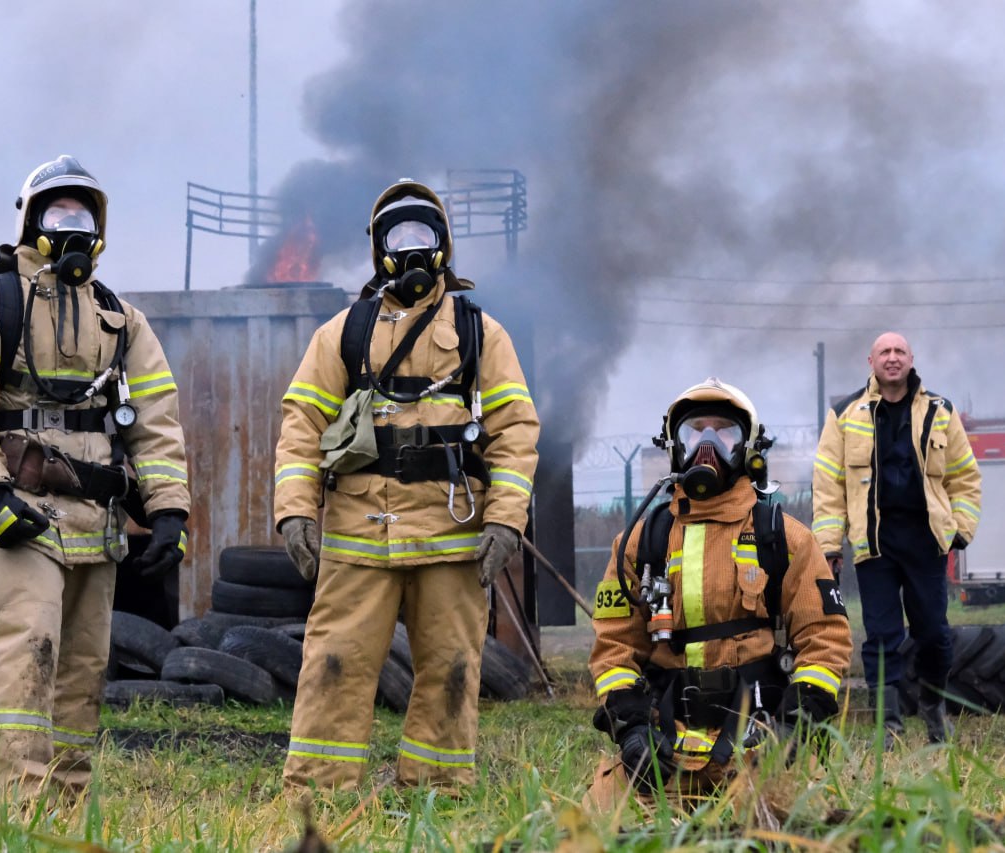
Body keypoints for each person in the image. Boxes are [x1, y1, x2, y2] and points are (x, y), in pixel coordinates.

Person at [0, 155, 191, 800]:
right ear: (30, 223)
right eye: (57, 214)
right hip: (22, 513)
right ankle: (6, 811)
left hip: (96, 523)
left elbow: (156, 423)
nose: (72, 227)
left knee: (79, 668)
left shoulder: (121, 320)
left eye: (83, 214)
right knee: (26, 648)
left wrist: (168, 512)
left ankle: (65, 808)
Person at [273, 178, 540, 792]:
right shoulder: (342, 334)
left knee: (451, 667)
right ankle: (319, 794)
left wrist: (505, 519)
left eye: (425, 235)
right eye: (400, 237)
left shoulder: (481, 335)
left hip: (450, 533)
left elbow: (516, 431)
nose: (414, 249)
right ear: (380, 251)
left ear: (444, 246)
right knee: (334, 664)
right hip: (357, 536)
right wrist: (295, 510)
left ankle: (436, 792)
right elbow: (300, 426)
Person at [586, 378, 851, 810]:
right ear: (674, 447)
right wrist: (633, 729)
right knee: (597, 827)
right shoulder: (639, 542)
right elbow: (613, 648)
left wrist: (794, 726)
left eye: (724, 432)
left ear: (748, 449)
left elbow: (826, 639)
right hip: (663, 753)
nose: (707, 446)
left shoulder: (783, 537)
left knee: (801, 829)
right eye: (695, 433)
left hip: (759, 748)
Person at [812, 332, 981, 746]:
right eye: (884, 352)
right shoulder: (844, 414)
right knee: (881, 635)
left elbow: (965, 476)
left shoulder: (941, 411)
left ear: (911, 360)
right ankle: (889, 727)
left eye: (899, 351)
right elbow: (828, 488)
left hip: (925, 543)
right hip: (874, 544)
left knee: (934, 634)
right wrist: (829, 547)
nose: (892, 358)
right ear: (871, 361)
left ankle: (932, 706)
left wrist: (960, 527)